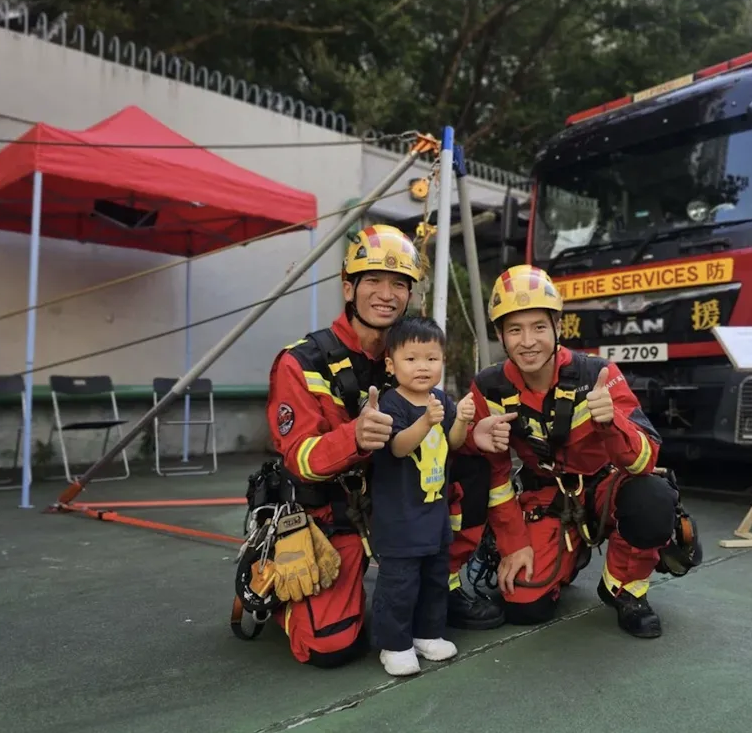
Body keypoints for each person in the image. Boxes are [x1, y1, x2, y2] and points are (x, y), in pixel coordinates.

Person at [254, 224, 506, 668]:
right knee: (330, 646)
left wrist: (473, 438)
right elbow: (300, 459)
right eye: (373, 280)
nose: (386, 293)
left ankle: (441, 584)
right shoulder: (302, 362)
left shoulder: (411, 357)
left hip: (399, 499)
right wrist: (352, 437)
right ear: (348, 287)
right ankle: (278, 591)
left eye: (399, 283)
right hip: (334, 512)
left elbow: (439, 435)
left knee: (473, 468)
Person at [457, 264, 703, 637]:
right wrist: (513, 544)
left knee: (652, 498)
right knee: (526, 607)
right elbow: (496, 478)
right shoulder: (489, 388)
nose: (528, 341)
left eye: (539, 327)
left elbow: (643, 458)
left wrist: (611, 423)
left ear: (558, 325)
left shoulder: (598, 375)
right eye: (515, 329)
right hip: (546, 498)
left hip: (608, 490)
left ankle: (625, 589)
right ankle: (568, 557)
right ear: (500, 336)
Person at [370, 315, 476, 676]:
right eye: (411, 358)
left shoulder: (441, 399)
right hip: (399, 518)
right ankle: (394, 644)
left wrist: (460, 418)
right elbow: (398, 447)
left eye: (431, 358)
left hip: (434, 515)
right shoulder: (391, 404)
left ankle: (428, 635)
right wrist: (426, 421)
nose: (422, 367)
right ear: (391, 363)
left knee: (435, 577)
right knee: (399, 583)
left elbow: (454, 443)